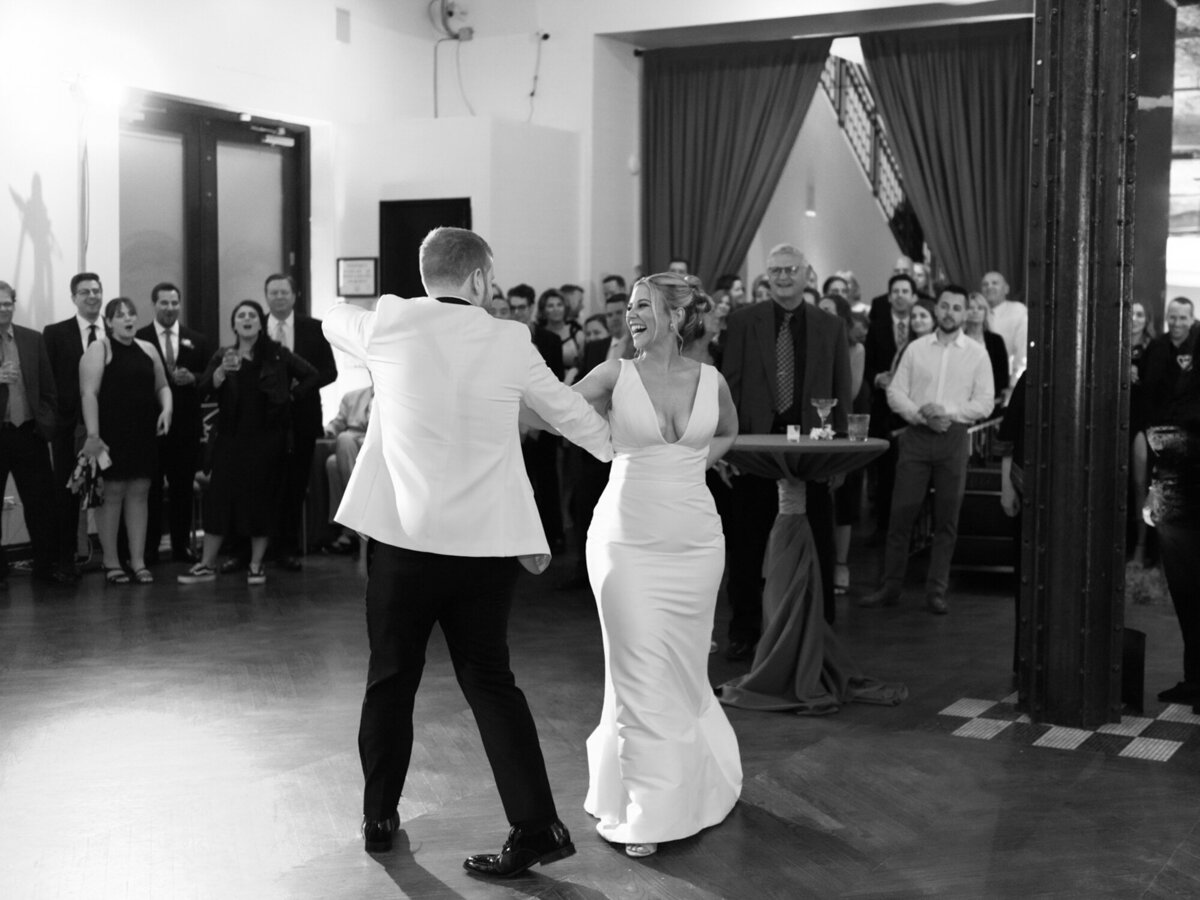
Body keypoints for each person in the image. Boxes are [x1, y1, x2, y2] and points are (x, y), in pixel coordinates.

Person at [322, 226, 613, 875]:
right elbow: (568, 413)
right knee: (489, 680)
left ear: (427, 277)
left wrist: (386, 317)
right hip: (483, 553)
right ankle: (538, 826)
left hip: (404, 544)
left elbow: (332, 315)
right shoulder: (509, 338)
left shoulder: (391, 322)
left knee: (391, 678)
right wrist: (621, 450)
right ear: (481, 280)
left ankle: (378, 815)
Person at [570, 272, 741, 858]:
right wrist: (608, 444)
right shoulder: (614, 373)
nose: (630, 316)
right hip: (626, 540)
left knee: (681, 669)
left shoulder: (711, 379)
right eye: (628, 308)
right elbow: (554, 409)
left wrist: (689, 463)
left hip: (696, 543)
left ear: (675, 315)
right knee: (638, 665)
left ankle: (686, 783)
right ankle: (648, 810)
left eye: (643, 306)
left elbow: (729, 431)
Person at [721, 243, 852, 658]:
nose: (782, 276)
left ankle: (822, 624)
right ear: (766, 276)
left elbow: (840, 391)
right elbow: (729, 386)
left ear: (807, 274)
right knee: (745, 543)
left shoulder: (829, 325)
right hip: (754, 448)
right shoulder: (743, 322)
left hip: (812, 448)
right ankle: (744, 630)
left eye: (790, 269)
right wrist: (727, 447)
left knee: (819, 540)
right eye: (775, 270)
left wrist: (840, 454)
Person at [862, 285, 995, 614]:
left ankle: (937, 590)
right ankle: (891, 586)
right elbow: (895, 392)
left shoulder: (977, 353)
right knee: (901, 514)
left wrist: (945, 413)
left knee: (946, 518)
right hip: (917, 436)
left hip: (953, 437)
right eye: (945, 306)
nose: (950, 312)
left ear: (966, 313)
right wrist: (920, 414)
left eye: (957, 308)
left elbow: (984, 403)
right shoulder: (916, 349)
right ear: (937, 310)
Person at [179, 300, 320, 585]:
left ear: (260, 324)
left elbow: (312, 375)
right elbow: (203, 388)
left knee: (261, 501)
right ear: (234, 325)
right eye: (240, 315)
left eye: (252, 315)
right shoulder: (223, 354)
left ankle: (256, 565)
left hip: (268, 440)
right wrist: (217, 377)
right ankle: (206, 564)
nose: (246, 319)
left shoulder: (278, 355)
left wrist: (290, 398)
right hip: (230, 439)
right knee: (219, 500)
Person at [79, 297, 172, 584]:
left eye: (132, 314)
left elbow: (163, 386)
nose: (128, 319)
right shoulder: (100, 348)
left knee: (140, 493)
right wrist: (93, 436)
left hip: (142, 432)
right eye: (120, 316)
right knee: (113, 494)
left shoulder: (148, 348)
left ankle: (139, 560)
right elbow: (89, 393)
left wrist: (167, 409)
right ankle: (110, 561)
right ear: (108, 322)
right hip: (111, 433)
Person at [262, 274, 337, 570]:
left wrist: (298, 390)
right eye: (273, 293)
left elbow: (330, 372)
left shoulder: (314, 328)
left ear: (295, 296)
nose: (279, 297)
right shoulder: (256, 327)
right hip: (265, 421)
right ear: (266, 296)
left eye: (284, 292)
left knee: (295, 484)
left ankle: (288, 547)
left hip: (303, 418)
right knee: (267, 483)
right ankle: (261, 545)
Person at [137, 282, 210, 563]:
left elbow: (209, 377)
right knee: (151, 490)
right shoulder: (139, 337)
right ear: (154, 304)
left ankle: (181, 546)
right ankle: (150, 548)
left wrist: (193, 377)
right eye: (164, 303)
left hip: (186, 428)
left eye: (174, 303)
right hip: (150, 427)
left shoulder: (198, 340)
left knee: (182, 490)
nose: (169, 308)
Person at [0, 281, 62, 585]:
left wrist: (44, 425)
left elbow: (49, 390)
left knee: (41, 504)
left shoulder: (32, 339)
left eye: (8, 303)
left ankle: (45, 568)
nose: (4, 308)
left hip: (29, 433)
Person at [44, 272, 105, 579]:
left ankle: (115, 559)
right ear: (74, 298)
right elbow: (48, 380)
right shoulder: (55, 333)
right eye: (85, 292)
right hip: (68, 429)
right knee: (67, 494)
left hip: (109, 427)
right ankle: (65, 559)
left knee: (112, 491)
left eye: (96, 290)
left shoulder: (115, 330)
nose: (92, 296)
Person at [863, 273, 917, 540]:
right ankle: (882, 527)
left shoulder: (922, 328)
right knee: (885, 473)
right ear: (888, 296)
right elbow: (867, 366)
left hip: (912, 413)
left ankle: (910, 533)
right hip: (883, 411)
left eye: (905, 291)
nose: (900, 295)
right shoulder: (877, 326)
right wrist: (877, 378)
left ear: (913, 296)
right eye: (895, 291)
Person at [324, 384, 374, 553]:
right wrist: (329, 430)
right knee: (332, 461)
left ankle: (348, 527)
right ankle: (355, 519)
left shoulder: (391, 395)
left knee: (338, 452)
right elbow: (337, 423)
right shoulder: (352, 396)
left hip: (374, 445)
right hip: (352, 443)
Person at [1129, 299, 1156, 566]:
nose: (1134, 318)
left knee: (1140, 486)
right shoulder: (1110, 346)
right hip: (1113, 421)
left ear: (1146, 320)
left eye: (1139, 314)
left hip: (1140, 423)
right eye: (1130, 313)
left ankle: (1141, 546)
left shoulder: (1154, 349)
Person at [964, 291, 1010, 409]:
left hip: (991, 400)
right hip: (962, 399)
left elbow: (1002, 375)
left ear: (986, 312)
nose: (975, 311)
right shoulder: (957, 340)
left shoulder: (996, 340)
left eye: (980, 308)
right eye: (970, 308)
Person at [980, 271, 1028, 382]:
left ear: (1006, 289)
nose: (989, 287)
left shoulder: (1018, 311)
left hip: (1006, 380)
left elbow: (1022, 350)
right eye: (985, 284)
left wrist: (1014, 383)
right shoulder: (974, 313)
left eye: (994, 283)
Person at [537, 288, 583, 379]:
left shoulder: (576, 333)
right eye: (550, 306)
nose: (556, 309)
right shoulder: (538, 335)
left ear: (565, 308)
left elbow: (583, 363)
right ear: (543, 310)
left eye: (559, 305)